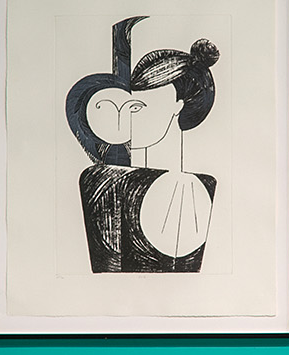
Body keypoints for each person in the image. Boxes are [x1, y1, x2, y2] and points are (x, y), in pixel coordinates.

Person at [64, 17, 221, 273]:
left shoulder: (198, 189)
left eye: (139, 107)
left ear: (178, 105)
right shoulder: (102, 181)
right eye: (128, 106)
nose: (126, 117)